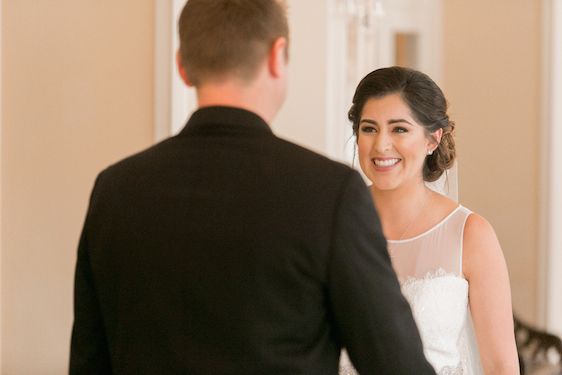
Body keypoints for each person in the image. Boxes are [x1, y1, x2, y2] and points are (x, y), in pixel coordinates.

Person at [69, 2, 435, 374]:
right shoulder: (328, 192)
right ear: (278, 56)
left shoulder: (115, 191)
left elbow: (88, 361)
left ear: (182, 65)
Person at [341, 66, 520, 375]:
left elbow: (501, 366)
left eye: (399, 129)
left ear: (432, 139)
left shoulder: (470, 234)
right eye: (369, 128)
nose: (381, 145)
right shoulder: (334, 221)